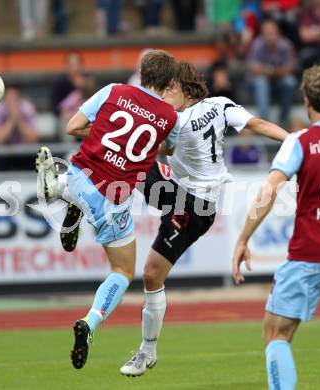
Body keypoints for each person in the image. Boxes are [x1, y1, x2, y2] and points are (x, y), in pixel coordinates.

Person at [116, 61, 288, 376]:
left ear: (184, 87)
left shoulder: (175, 121)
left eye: (169, 88)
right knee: (152, 275)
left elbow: (154, 146)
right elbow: (257, 124)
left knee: (152, 270)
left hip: (193, 207)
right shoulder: (220, 105)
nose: (164, 94)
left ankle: (146, 351)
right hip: (191, 200)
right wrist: (292, 142)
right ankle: (147, 351)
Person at [36, 49, 180, 369]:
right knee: (123, 272)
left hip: (79, 174)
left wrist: (104, 132)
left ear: (140, 72)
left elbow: (73, 126)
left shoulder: (113, 90)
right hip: (113, 199)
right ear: (169, 82)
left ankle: (59, 189)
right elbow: (168, 148)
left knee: (74, 186)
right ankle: (89, 322)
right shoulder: (170, 117)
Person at [232, 64, 320, 390]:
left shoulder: (300, 141)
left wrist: (243, 238)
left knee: (276, 334)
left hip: (309, 254)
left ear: (307, 102)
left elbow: (269, 190)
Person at [248, 18, 297, 126]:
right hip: (260, 80)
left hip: (279, 80)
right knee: (261, 82)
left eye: (272, 34)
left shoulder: (286, 45)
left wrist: (268, 70)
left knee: (290, 81)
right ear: (262, 35)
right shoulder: (257, 44)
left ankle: (284, 118)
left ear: (278, 33)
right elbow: (253, 68)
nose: (269, 37)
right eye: (266, 34)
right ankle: (264, 121)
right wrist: (275, 71)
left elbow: (290, 68)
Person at [0, 84, 38, 171]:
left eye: (15, 99)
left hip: (25, 151)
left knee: (34, 158)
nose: (12, 102)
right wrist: (11, 119)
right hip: (4, 151)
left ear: (20, 99)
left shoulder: (27, 108)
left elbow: (33, 138)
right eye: (9, 99)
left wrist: (18, 119)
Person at [50, 52, 87, 116]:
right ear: (66, 66)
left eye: (77, 65)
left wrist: (84, 88)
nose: (75, 68)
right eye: (71, 65)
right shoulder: (59, 83)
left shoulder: (88, 81)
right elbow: (54, 107)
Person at [299, 0, 320, 69]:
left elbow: (309, 35)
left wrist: (313, 31)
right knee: (304, 56)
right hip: (312, 48)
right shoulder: (307, 14)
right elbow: (305, 37)